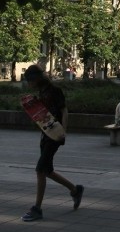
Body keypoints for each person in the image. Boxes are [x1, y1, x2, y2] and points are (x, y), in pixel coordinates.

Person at [21, 65, 84, 222]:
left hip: (55, 135)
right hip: (46, 135)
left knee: (40, 169)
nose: (28, 84)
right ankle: (75, 190)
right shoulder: (42, 93)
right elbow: (42, 116)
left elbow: (64, 111)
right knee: (47, 170)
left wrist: (64, 131)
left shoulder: (54, 91)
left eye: (29, 81)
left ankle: (37, 209)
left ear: (35, 79)